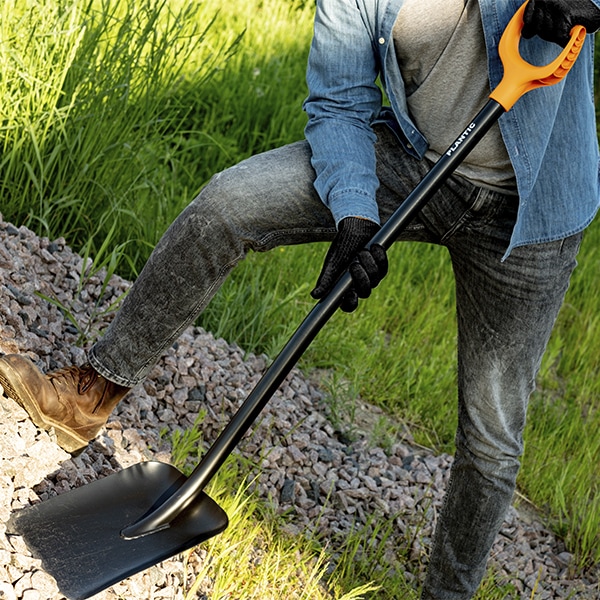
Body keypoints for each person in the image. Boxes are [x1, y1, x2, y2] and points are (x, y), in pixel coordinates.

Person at [1, 0, 599, 597]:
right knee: (227, 206)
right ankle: (91, 394)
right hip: (414, 160)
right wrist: (354, 212)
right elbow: (339, 101)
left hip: (537, 206)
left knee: (492, 438)